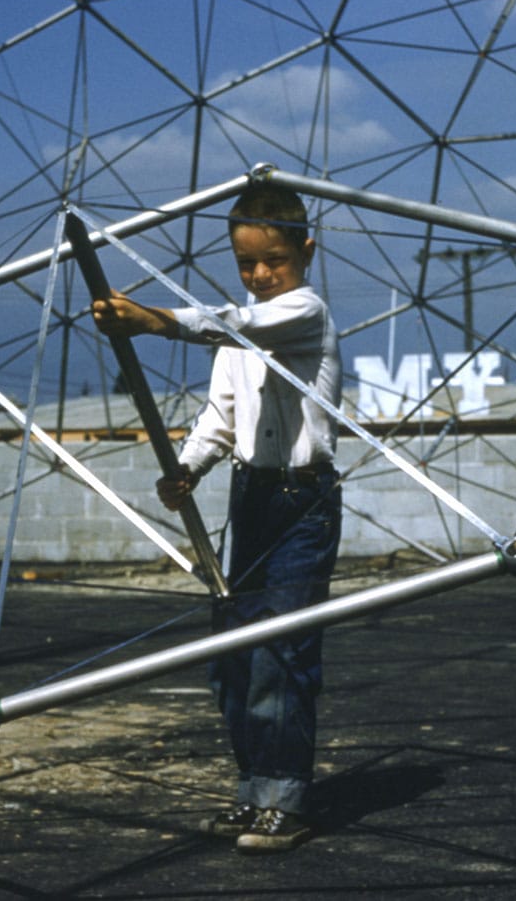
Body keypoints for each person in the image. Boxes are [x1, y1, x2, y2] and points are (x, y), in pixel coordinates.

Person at [91, 183, 342, 853]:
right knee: (231, 655)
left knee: (280, 653)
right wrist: (189, 468)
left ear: (305, 250)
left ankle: (286, 796)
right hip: (250, 499)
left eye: (274, 261)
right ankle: (255, 786)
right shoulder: (243, 326)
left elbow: (237, 324)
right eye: (246, 263)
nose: (261, 275)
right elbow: (220, 418)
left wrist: (152, 320)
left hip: (302, 501)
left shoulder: (301, 312)